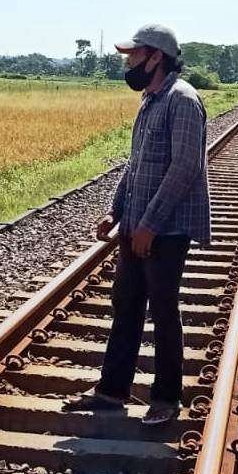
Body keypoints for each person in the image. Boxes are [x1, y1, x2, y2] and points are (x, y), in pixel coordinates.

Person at [63, 24, 210, 425]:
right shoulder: (151, 99)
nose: (128, 63)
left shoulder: (182, 100)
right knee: (125, 305)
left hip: (166, 228)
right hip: (136, 224)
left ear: (155, 57)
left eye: (133, 55)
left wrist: (149, 224)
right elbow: (137, 164)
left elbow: (184, 168)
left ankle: (166, 398)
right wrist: (116, 212)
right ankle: (112, 390)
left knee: (162, 309)